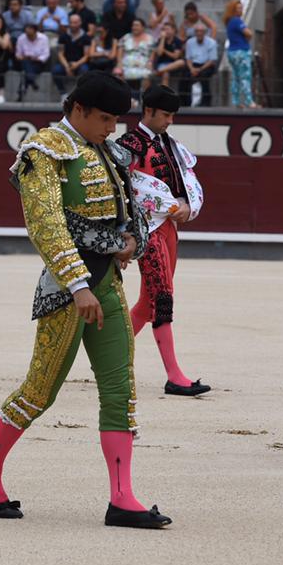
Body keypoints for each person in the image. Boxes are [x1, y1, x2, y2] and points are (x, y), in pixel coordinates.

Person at [0, 73, 170, 529]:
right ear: (78, 109)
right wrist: (78, 286)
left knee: (120, 390)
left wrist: (130, 240)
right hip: (66, 291)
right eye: (105, 119)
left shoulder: (107, 150)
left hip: (108, 284)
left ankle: (122, 498)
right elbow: (46, 224)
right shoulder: (44, 150)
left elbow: (131, 206)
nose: (112, 128)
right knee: (40, 390)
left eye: (116, 120)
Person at [116, 84, 210, 398]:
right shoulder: (129, 144)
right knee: (162, 297)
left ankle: (110, 353)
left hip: (168, 227)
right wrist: (124, 234)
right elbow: (124, 189)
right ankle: (174, 376)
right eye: (166, 115)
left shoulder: (170, 144)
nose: (170, 121)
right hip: (146, 228)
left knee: (147, 304)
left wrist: (186, 206)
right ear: (149, 111)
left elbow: (186, 183)